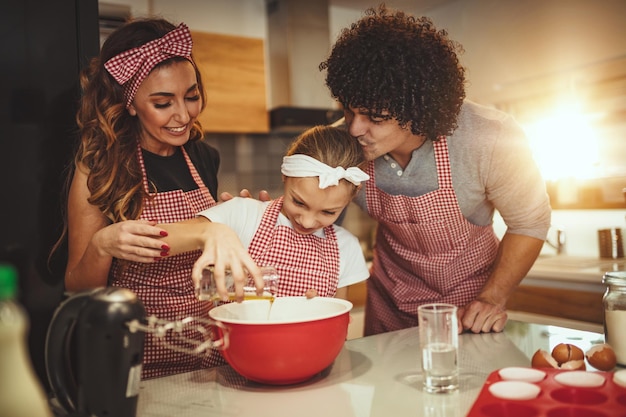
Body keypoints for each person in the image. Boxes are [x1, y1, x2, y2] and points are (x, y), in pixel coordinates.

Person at [318, 5, 551, 335]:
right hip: (390, 304)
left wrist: (492, 298)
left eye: (375, 117)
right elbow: (307, 219)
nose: (355, 128)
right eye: (348, 109)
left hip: (469, 307)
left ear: (418, 109)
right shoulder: (338, 147)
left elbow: (530, 221)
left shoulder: (489, 137)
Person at [59, 18, 261, 379]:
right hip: (139, 359)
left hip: (211, 350)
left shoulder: (204, 157)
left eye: (192, 96)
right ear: (130, 103)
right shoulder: (100, 168)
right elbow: (77, 287)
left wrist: (240, 219)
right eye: (163, 102)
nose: (183, 115)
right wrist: (102, 246)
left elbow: (206, 251)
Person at [160, 125, 370, 300]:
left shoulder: (346, 248)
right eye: (298, 202)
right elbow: (159, 240)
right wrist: (208, 232)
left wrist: (318, 312)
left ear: (351, 198)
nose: (306, 222)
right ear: (284, 176)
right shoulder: (243, 214)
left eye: (328, 212)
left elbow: (338, 318)